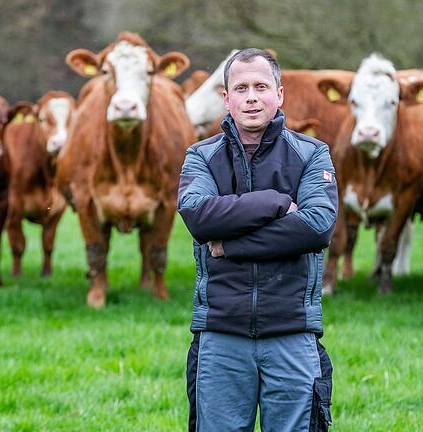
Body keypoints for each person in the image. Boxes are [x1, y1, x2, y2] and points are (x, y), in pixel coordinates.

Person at [178, 48, 337, 432]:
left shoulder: (312, 154)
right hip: (220, 335)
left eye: (261, 87)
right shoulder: (201, 156)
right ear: (226, 98)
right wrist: (276, 201)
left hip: (292, 333)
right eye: (242, 88)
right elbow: (198, 216)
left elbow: (317, 226)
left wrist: (230, 244)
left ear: (279, 95)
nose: (251, 96)